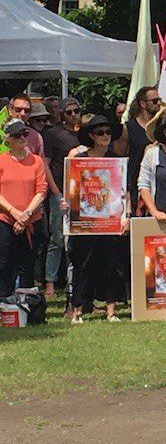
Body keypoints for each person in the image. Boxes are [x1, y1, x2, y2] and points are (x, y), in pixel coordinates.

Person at [63, 115, 128, 323]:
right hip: (85, 223)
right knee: (83, 265)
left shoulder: (116, 160)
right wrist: (66, 204)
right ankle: (78, 311)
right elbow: (71, 192)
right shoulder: (79, 160)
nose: (105, 136)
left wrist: (126, 216)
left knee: (111, 265)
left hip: (109, 222)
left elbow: (125, 193)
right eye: (100, 132)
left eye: (108, 132)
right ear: (91, 135)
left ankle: (111, 311)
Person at [0, 119, 47, 296]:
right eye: (17, 135)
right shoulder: (2, 161)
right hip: (4, 219)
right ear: (8, 139)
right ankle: (3, 303)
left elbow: (41, 190)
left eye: (24, 134)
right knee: (4, 263)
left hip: (30, 220)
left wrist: (25, 215)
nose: (22, 138)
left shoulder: (36, 162)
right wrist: (14, 212)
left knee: (27, 264)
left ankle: (26, 307)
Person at [42, 97, 82, 296]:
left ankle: (74, 284)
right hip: (60, 192)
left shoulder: (86, 133)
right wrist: (56, 192)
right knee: (57, 238)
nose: (73, 115)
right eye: (69, 112)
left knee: (77, 241)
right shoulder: (52, 134)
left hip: (82, 194)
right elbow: (45, 165)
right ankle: (50, 281)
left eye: (76, 111)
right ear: (61, 114)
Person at [115, 86, 161, 214]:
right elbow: (121, 160)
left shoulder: (162, 128)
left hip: (159, 186)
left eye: (159, 100)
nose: (159, 104)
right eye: (155, 101)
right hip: (135, 187)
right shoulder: (128, 128)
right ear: (142, 104)